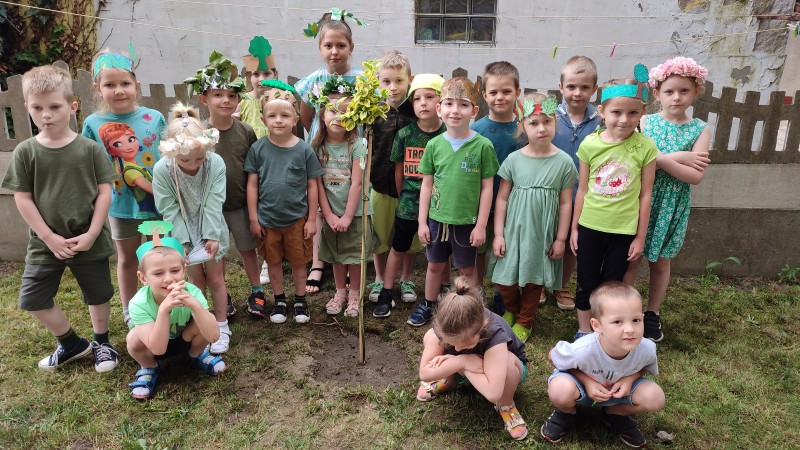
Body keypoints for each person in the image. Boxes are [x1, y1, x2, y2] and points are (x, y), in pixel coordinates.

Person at [3, 65, 119, 371]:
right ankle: (71, 344)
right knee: (32, 298)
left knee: (98, 293)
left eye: (54, 107)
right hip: (45, 242)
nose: (46, 115)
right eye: (37, 108)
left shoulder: (89, 149)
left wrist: (92, 233)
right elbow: (22, 198)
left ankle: (102, 342)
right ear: (26, 107)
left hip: (88, 237)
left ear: (72, 106)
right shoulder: (25, 152)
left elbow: (104, 192)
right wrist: (49, 237)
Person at [623, 57, 711, 342]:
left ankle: (652, 313)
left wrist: (660, 159)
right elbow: (635, 164)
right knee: (631, 259)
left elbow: (695, 176)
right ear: (657, 93)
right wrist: (678, 157)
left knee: (660, 262)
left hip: (672, 204)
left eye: (684, 91)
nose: (676, 97)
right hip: (640, 200)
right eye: (669, 91)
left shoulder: (700, 129)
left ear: (696, 91)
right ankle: (625, 310)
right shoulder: (644, 123)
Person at [570, 66, 658, 340]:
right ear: (602, 111)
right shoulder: (589, 145)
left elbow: (646, 195)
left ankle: (607, 332)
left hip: (623, 231)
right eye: (616, 112)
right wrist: (575, 229)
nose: (624, 119)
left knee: (612, 284)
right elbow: (582, 190)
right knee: (586, 282)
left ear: (642, 113)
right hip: (590, 226)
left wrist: (639, 237)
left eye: (632, 113)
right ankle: (584, 331)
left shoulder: (646, 148)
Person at [82, 48, 166, 329]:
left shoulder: (154, 118)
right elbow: (86, 161)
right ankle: (130, 308)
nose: (118, 90)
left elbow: (170, 156)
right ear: (97, 88)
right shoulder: (93, 124)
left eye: (125, 83)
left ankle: (162, 304)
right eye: (109, 84)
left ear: (136, 85)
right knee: (127, 258)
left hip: (158, 205)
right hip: (119, 206)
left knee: (159, 256)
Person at [408, 77, 499, 327]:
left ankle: (475, 308)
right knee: (435, 265)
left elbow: (487, 188)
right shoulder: (434, 145)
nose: (455, 110)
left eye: (463, 104)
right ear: (439, 109)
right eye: (449, 103)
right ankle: (429, 304)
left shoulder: (483, 146)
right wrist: (422, 222)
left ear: (474, 111)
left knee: (467, 269)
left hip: (467, 221)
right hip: (437, 220)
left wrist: (481, 226)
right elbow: (427, 185)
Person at [491, 92, 578, 342]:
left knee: (533, 279)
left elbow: (566, 203)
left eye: (547, 121)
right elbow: (502, 198)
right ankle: (511, 308)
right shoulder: (514, 160)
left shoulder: (564, 162)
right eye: (534, 123)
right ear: (522, 125)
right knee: (505, 278)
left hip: (542, 233)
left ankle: (525, 320)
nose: (541, 128)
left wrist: (560, 239)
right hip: (514, 230)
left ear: (555, 122)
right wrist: (498, 234)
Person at [541, 282, 665, 447]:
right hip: (582, 389)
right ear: (597, 326)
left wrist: (629, 379)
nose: (630, 329)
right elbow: (553, 356)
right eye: (618, 322)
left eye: (636, 320)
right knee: (560, 389)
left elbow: (645, 366)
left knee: (655, 397)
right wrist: (587, 381)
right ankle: (567, 413)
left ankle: (615, 413)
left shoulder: (647, 348)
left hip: (617, 395)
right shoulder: (582, 349)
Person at [152, 102, 231, 354]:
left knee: (216, 278)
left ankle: (221, 325)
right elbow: (169, 208)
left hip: (211, 226)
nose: (193, 164)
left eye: (199, 157)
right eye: (185, 159)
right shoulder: (162, 169)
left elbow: (214, 201)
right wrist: (181, 242)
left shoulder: (215, 163)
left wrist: (212, 235)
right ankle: (201, 323)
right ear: (171, 153)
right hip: (182, 228)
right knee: (195, 281)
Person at [295, 9, 365, 293]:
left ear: (351, 47)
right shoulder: (315, 80)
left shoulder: (361, 80)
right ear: (320, 48)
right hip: (324, 146)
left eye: (340, 45)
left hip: (351, 148)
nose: (334, 51)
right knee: (321, 202)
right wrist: (323, 136)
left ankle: (348, 258)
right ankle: (318, 261)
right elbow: (306, 116)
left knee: (346, 194)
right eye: (328, 45)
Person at [192, 54, 263, 320]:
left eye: (232, 96)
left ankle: (257, 290)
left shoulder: (245, 131)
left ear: (238, 99)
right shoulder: (198, 134)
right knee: (217, 254)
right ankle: (224, 295)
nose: (226, 100)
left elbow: (254, 170)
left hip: (241, 204)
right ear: (204, 99)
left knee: (247, 248)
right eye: (218, 95)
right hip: (211, 209)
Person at [417, 277, 529, 441]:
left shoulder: (494, 334)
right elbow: (424, 373)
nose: (457, 350)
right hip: (473, 368)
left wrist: (459, 362)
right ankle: (450, 380)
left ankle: (506, 404)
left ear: (482, 326)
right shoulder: (445, 325)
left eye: (465, 344)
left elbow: (493, 393)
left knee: (507, 362)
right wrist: (462, 361)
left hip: (506, 373)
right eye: (452, 344)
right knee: (430, 337)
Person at [245, 94, 324, 324]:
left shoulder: (304, 150)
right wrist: (253, 219)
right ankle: (279, 300)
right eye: (272, 116)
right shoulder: (258, 149)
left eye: (285, 115)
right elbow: (252, 185)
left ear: (295, 119)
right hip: (267, 220)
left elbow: (312, 185)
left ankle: (300, 300)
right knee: (273, 262)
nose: (278, 120)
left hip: (297, 220)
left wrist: (311, 219)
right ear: (263, 120)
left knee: (299, 263)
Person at [374, 74, 447, 318]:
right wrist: (402, 195)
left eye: (430, 97)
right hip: (408, 203)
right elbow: (398, 171)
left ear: (441, 102)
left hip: (439, 206)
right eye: (417, 99)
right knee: (398, 247)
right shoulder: (405, 135)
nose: (423, 103)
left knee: (438, 251)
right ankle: (386, 292)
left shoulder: (447, 134)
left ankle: (440, 292)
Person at [126, 228, 226, 400]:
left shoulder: (192, 292)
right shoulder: (138, 303)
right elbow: (157, 348)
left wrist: (196, 307)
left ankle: (196, 354)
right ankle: (149, 367)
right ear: (143, 278)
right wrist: (163, 311)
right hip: (153, 346)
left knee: (203, 318)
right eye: (158, 273)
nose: (168, 278)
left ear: (184, 269)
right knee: (133, 338)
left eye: (174, 270)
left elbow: (214, 336)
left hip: (185, 339)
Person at [471, 61, 526, 314]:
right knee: (478, 251)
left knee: (505, 251)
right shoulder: (475, 131)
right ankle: (476, 292)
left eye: (506, 91)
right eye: (493, 92)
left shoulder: (525, 130)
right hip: (480, 204)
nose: (500, 97)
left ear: (518, 92)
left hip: (513, 205)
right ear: (484, 95)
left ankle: (503, 292)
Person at [313, 90, 375, 317]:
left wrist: (348, 216)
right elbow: (318, 184)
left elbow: (357, 183)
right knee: (337, 256)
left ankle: (355, 294)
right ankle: (340, 293)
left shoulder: (357, 145)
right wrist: (329, 215)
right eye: (333, 111)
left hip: (355, 213)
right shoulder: (317, 146)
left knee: (354, 257)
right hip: (331, 212)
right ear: (322, 115)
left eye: (346, 112)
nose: (339, 117)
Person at [367, 50, 418, 304]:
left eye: (399, 81)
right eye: (386, 81)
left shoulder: (415, 114)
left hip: (411, 189)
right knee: (380, 236)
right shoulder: (373, 114)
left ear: (410, 80)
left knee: (408, 238)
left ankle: (406, 278)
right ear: (378, 82)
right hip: (380, 186)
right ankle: (379, 277)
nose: (393, 87)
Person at [552, 55, 602, 311]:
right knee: (546, 238)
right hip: (550, 193)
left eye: (584, 87)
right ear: (561, 87)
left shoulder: (601, 122)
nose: (577, 93)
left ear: (594, 89)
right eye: (571, 86)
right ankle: (538, 283)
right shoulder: (549, 117)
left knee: (573, 243)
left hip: (583, 195)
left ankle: (561, 285)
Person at [235, 35, 278, 140]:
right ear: (249, 77)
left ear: (275, 75)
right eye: (256, 74)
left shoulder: (281, 98)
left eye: (267, 73)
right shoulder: (242, 101)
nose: (261, 79)